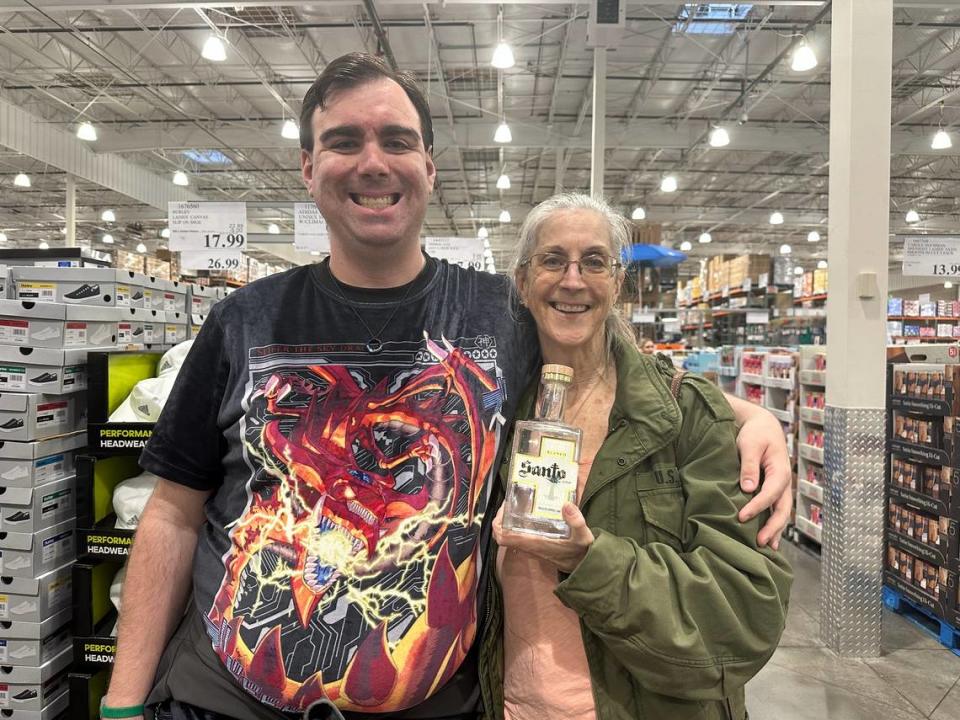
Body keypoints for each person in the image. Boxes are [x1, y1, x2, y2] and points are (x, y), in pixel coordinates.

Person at [101, 53, 793, 720]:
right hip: (225, 701)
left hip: (439, 702)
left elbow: (609, 372)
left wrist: (747, 414)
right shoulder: (240, 320)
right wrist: (123, 698)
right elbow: (172, 513)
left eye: (396, 141)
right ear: (309, 168)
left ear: (428, 168)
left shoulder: (500, 315)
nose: (373, 162)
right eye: (344, 141)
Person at [488, 193, 792, 720]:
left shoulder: (684, 415)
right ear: (522, 281)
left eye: (595, 262)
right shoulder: (489, 411)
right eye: (553, 259)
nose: (573, 280)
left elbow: (747, 611)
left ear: (617, 284)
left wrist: (586, 561)